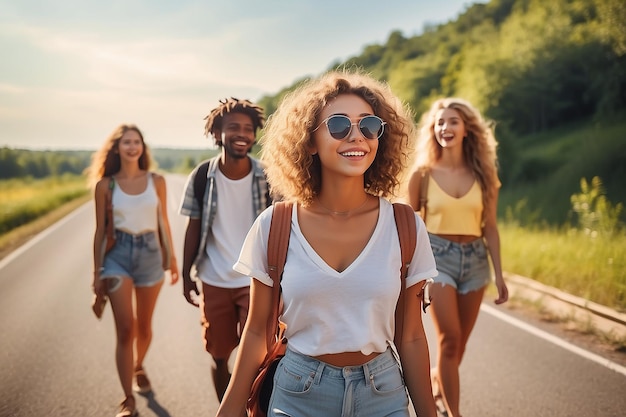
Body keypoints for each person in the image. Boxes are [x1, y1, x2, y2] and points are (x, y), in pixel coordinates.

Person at [216, 70, 438, 417]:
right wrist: (228, 409)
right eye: (338, 126)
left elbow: (410, 336)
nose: (356, 137)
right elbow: (258, 330)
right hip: (298, 392)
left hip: (383, 393)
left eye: (368, 126)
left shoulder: (405, 225)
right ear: (309, 141)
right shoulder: (274, 225)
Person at [407, 97, 509, 417]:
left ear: (466, 129)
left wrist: (500, 275)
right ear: (432, 130)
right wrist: (412, 274)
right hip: (438, 259)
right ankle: (454, 413)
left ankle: (441, 383)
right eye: (439, 122)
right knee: (449, 340)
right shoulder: (422, 175)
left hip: (476, 261)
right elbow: (410, 226)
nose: (445, 127)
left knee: (460, 344)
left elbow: (490, 227)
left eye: (452, 121)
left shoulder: (484, 174)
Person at [178, 97, 270, 401]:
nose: (242, 134)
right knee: (219, 355)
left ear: (255, 135)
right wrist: (186, 273)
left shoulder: (268, 178)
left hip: (254, 280)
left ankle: (252, 405)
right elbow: (193, 227)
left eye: (248, 128)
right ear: (217, 134)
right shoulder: (203, 176)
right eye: (233, 127)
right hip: (215, 278)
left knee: (257, 356)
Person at [88, 124, 179, 417]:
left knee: (144, 328)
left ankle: (139, 365)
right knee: (126, 329)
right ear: (117, 148)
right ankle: (127, 398)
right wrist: (96, 273)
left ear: (142, 147)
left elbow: (163, 222)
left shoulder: (157, 181)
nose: (131, 147)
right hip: (117, 257)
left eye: (136, 142)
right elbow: (101, 231)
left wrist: (172, 259)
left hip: (150, 254)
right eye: (126, 142)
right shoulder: (105, 186)